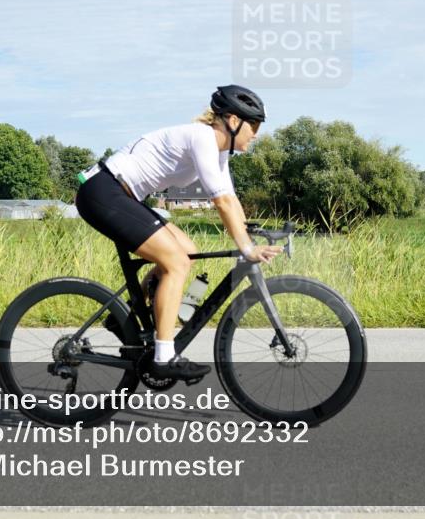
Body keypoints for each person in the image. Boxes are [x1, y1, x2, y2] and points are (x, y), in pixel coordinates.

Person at [74, 85, 283, 382]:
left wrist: (250, 232)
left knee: (185, 251)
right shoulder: (203, 138)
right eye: (255, 125)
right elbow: (220, 201)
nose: (258, 133)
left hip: (122, 195)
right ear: (234, 122)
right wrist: (247, 249)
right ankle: (163, 356)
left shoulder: (219, 152)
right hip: (103, 192)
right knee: (176, 262)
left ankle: (126, 320)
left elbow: (231, 198)